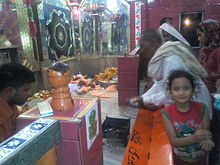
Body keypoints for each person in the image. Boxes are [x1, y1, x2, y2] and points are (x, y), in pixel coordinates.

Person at [129, 28, 212, 119]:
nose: (141, 51)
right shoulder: (163, 57)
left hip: (197, 111)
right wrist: (142, 98)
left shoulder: (171, 60)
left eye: (142, 46)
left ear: (152, 43)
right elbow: (159, 86)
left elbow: (172, 94)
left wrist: (145, 100)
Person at [161, 70, 214, 165]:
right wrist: (194, 138)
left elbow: (204, 133)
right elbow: (174, 141)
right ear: (170, 91)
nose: (181, 93)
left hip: (200, 160)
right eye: (176, 89)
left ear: (193, 89)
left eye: (186, 88)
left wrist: (206, 140)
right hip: (178, 160)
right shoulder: (166, 112)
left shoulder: (202, 108)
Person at [0, 63, 35, 142]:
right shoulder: (2, 118)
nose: (29, 94)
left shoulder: (12, 107)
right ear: (9, 91)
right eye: (25, 90)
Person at [196, 19, 220, 93]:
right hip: (203, 91)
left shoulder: (218, 52)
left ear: (210, 33)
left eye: (200, 35)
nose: (198, 39)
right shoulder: (205, 51)